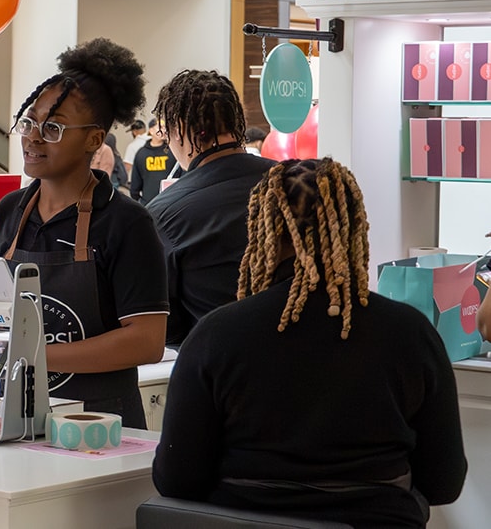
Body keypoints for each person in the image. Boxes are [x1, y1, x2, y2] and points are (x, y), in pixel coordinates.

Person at [154, 158, 467, 528]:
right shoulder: (411, 333)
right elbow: (444, 482)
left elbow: (177, 479)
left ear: (262, 230)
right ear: (353, 227)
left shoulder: (215, 336)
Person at [0, 38, 167, 427]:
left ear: (94, 139)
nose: (33, 137)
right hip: (14, 413)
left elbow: (147, 341)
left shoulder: (126, 222)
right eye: (29, 122)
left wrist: (34, 354)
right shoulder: (9, 212)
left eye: (52, 128)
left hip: (100, 425)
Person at [147, 70, 276, 347]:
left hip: (221, 364)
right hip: (313, 353)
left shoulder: (165, 213)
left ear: (179, 129)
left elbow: (162, 320)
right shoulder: (291, 182)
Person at [129, 118, 177, 205]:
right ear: (151, 131)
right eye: (160, 127)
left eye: (165, 127)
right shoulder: (141, 154)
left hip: (171, 203)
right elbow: (135, 184)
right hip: (149, 204)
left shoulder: (173, 151)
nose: (163, 130)